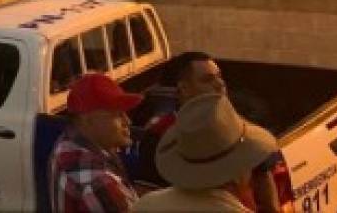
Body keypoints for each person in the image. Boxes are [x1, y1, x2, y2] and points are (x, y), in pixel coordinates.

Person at [137, 54, 279, 211]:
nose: (219, 84)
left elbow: (264, 180)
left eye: (219, 77)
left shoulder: (234, 123)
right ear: (184, 89)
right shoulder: (157, 135)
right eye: (207, 80)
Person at [49, 73, 143, 213]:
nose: (128, 121)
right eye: (117, 114)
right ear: (87, 120)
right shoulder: (95, 181)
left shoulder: (69, 141)